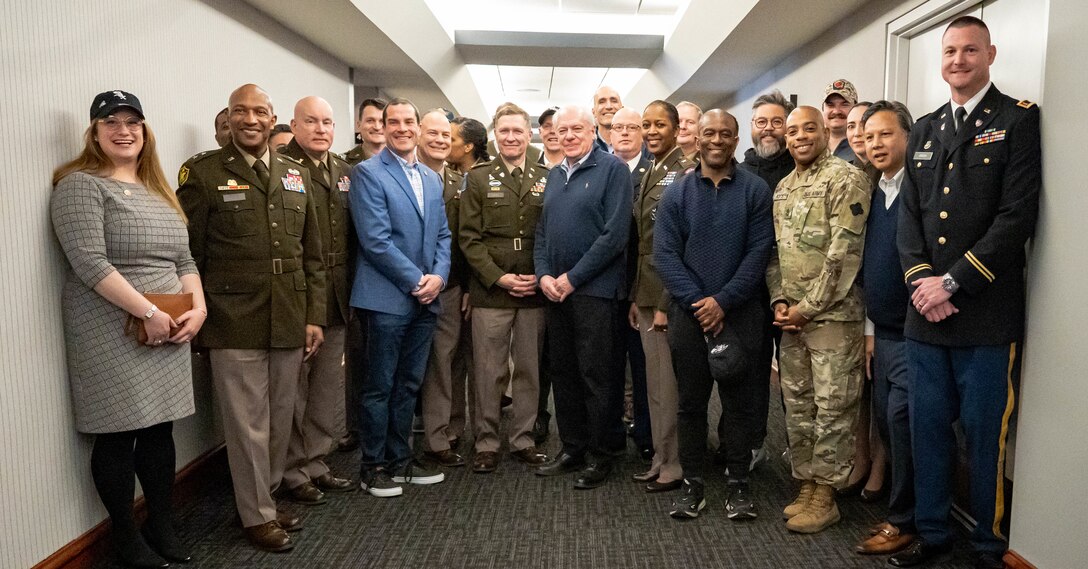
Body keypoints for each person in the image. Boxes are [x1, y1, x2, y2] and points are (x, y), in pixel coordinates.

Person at [890, 17, 1041, 569]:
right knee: (925, 432)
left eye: (969, 50)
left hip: (985, 317)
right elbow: (909, 220)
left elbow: (1016, 216)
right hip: (925, 319)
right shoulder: (926, 129)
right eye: (950, 51)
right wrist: (921, 284)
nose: (958, 59)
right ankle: (932, 536)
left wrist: (951, 282)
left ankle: (986, 547)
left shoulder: (1017, 121)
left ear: (990, 54)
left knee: (983, 439)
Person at [51, 90, 207, 568]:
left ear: (145, 130)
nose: (124, 130)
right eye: (111, 122)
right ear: (94, 132)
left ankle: (160, 522)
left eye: (132, 122)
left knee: (160, 430)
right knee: (117, 433)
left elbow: (184, 258)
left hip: (169, 322)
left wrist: (198, 309)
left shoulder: (158, 188)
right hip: (109, 325)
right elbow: (89, 262)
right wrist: (146, 313)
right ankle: (124, 534)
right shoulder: (80, 185)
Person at [178, 84, 326, 552]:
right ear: (229, 117)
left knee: (282, 417)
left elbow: (312, 254)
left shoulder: (293, 172)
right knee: (246, 425)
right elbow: (189, 255)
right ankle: (256, 515)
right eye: (240, 111)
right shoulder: (203, 174)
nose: (250, 119)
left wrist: (313, 316)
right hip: (232, 314)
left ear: (272, 117)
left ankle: (267, 495)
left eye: (259, 111)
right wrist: (197, 317)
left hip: (288, 312)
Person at [654, 109, 774, 520]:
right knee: (691, 404)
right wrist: (700, 303)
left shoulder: (756, 191)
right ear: (699, 139)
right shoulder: (677, 193)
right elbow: (665, 256)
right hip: (689, 317)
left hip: (741, 314)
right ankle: (693, 485)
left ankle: (738, 484)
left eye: (725, 133)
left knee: (739, 404)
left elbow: (759, 253)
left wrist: (722, 301)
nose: (717, 140)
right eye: (710, 133)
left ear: (736, 139)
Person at [767, 105, 869, 534]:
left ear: (827, 132)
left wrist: (806, 309)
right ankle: (808, 484)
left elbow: (843, 256)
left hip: (831, 320)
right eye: (793, 131)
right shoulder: (784, 188)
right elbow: (774, 255)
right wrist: (779, 302)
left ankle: (827, 496)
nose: (800, 136)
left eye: (810, 128)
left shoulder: (847, 179)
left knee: (833, 407)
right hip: (793, 321)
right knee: (800, 405)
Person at [350, 97, 451, 498]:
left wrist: (439, 277)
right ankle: (372, 464)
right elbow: (375, 241)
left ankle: (400, 459)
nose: (403, 128)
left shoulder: (430, 177)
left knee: (410, 384)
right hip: (387, 298)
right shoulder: (368, 173)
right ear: (381, 128)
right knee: (379, 385)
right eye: (394, 122)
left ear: (419, 128)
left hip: (426, 298)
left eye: (410, 121)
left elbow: (442, 235)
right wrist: (417, 280)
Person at [533, 105, 631, 490]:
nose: (569, 135)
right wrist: (543, 275)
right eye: (562, 130)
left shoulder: (613, 170)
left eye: (577, 128)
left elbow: (614, 236)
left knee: (597, 375)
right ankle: (572, 447)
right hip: (556, 293)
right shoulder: (555, 175)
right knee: (564, 373)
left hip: (595, 293)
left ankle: (602, 453)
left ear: (593, 131)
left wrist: (572, 278)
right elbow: (543, 232)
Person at [460, 103, 551, 473]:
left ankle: (523, 439)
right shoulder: (479, 178)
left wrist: (540, 275)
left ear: (528, 134)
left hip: (533, 288)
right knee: (489, 370)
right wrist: (498, 277)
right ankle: (486, 441)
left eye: (518, 131)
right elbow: (468, 238)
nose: (511, 137)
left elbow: (552, 233)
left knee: (529, 369)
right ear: (495, 135)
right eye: (504, 131)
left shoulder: (548, 175)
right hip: (491, 290)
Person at [279, 96, 356, 506]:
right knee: (295, 390)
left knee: (327, 387)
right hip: (299, 295)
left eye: (327, 122)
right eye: (311, 121)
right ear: (294, 125)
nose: (321, 129)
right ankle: (292, 470)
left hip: (339, 293)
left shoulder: (344, 170)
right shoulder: (282, 168)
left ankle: (318, 462)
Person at [852, 99, 917, 557]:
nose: (875, 143)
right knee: (887, 423)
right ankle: (903, 511)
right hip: (885, 333)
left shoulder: (922, 189)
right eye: (869, 136)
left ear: (908, 138)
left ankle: (906, 520)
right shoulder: (876, 190)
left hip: (918, 335)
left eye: (885, 134)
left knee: (905, 422)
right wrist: (872, 331)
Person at [628, 101, 696, 494]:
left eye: (659, 124)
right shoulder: (652, 169)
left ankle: (673, 462)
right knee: (654, 384)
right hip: (647, 291)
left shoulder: (684, 172)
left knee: (668, 386)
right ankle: (660, 456)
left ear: (675, 128)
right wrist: (639, 298)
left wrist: (668, 302)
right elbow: (642, 241)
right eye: (646, 124)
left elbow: (683, 245)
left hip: (668, 296)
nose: (651, 131)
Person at [737, 89, 795, 471]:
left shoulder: (801, 168)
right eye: (762, 122)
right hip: (750, 292)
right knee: (752, 373)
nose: (769, 129)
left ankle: (799, 449)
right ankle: (753, 443)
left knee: (794, 377)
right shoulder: (738, 173)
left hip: (795, 291)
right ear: (751, 128)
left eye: (777, 122)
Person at [839, 99, 889, 502]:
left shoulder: (888, 178)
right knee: (856, 388)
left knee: (879, 389)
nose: (858, 134)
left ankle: (880, 463)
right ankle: (859, 456)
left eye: (867, 127)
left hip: (879, 297)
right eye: (854, 127)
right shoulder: (850, 176)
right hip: (849, 297)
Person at [417, 109, 472, 468]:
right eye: (433, 134)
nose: (440, 141)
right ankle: (430, 435)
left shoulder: (458, 183)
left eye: (446, 136)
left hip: (450, 286)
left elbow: (465, 239)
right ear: (418, 134)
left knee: (449, 362)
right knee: (427, 364)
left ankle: (447, 431)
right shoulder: (408, 177)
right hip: (409, 285)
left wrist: (467, 285)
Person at [610, 106, 653, 461]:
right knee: (606, 366)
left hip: (642, 286)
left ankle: (645, 433)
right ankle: (609, 434)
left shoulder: (656, 170)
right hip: (605, 286)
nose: (624, 132)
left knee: (643, 368)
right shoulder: (601, 168)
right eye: (617, 127)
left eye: (632, 127)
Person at [823, 79, 858, 162]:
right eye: (830, 105)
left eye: (844, 104)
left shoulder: (863, 148)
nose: (836, 111)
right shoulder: (812, 146)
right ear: (823, 109)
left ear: (855, 108)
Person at [344, 97, 387, 166]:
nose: (377, 127)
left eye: (382, 121)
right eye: (370, 120)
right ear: (359, 125)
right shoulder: (342, 163)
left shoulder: (402, 162)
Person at [592, 86, 622, 153]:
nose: (609, 106)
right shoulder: (585, 147)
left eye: (614, 101)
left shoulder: (639, 145)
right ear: (594, 112)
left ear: (622, 109)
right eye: (602, 102)